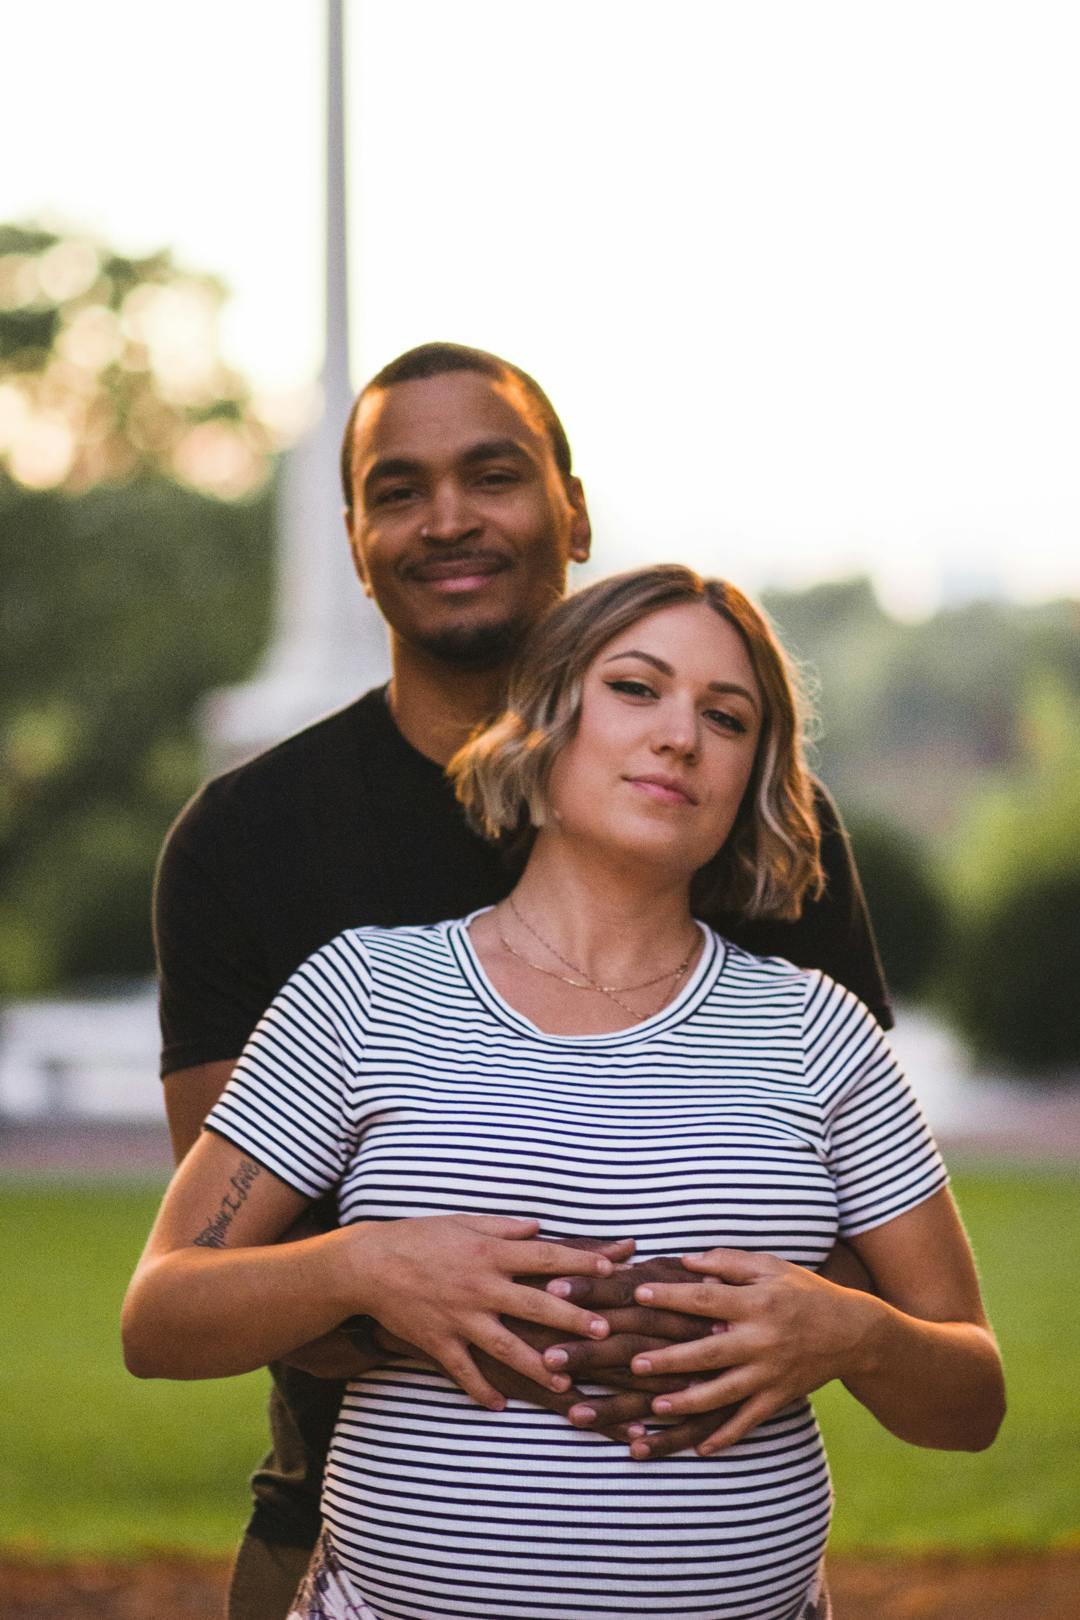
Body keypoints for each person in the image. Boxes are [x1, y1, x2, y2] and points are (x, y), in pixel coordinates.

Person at [153, 343, 893, 1617]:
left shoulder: (739, 819)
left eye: (491, 475)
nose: (445, 518)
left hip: (704, 1554)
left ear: (574, 508)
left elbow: (867, 1243)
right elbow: (221, 1272)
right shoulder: (246, 844)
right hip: (353, 1528)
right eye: (398, 489)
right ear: (352, 538)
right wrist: (410, 1283)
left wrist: (760, 1322)